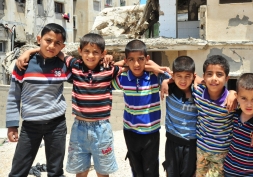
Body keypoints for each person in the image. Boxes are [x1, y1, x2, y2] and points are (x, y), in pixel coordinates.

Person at [16, 33, 122, 177]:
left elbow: (131, 65)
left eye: (96, 52)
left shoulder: (109, 70)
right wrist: (29, 51)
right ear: (80, 51)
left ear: (102, 53)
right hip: (79, 127)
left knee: (103, 172)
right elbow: (56, 51)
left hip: (102, 128)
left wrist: (111, 59)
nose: (90, 55)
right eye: (86, 51)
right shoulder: (75, 65)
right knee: (80, 170)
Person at [6, 23, 71, 177]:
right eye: (48, 41)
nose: (51, 46)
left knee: (56, 171)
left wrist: (63, 56)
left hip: (57, 125)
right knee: (18, 170)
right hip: (30, 126)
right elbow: (14, 96)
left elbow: (83, 73)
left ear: (62, 46)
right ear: (39, 39)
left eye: (57, 43)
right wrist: (12, 125)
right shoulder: (23, 64)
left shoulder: (62, 66)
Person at [194, 55, 253, 177]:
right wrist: (166, 79)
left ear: (227, 78)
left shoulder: (232, 101)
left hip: (221, 153)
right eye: (209, 74)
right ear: (204, 76)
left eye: (219, 74)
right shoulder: (198, 92)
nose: (214, 78)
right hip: (201, 150)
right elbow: (182, 75)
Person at [111, 39, 171, 177]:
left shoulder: (155, 77)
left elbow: (172, 78)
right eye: (131, 60)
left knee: (151, 169)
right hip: (130, 131)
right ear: (126, 60)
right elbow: (107, 74)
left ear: (147, 59)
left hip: (151, 132)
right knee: (136, 167)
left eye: (141, 59)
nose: (136, 64)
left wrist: (154, 68)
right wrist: (121, 65)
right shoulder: (123, 78)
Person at [162, 56, 198, 177]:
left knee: (188, 174)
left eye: (187, 76)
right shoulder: (170, 88)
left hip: (191, 143)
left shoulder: (199, 92)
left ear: (194, 76)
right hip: (172, 140)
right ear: (173, 76)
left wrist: (232, 92)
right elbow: (147, 65)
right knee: (171, 173)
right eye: (179, 76)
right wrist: (165, 81)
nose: (183, 80)